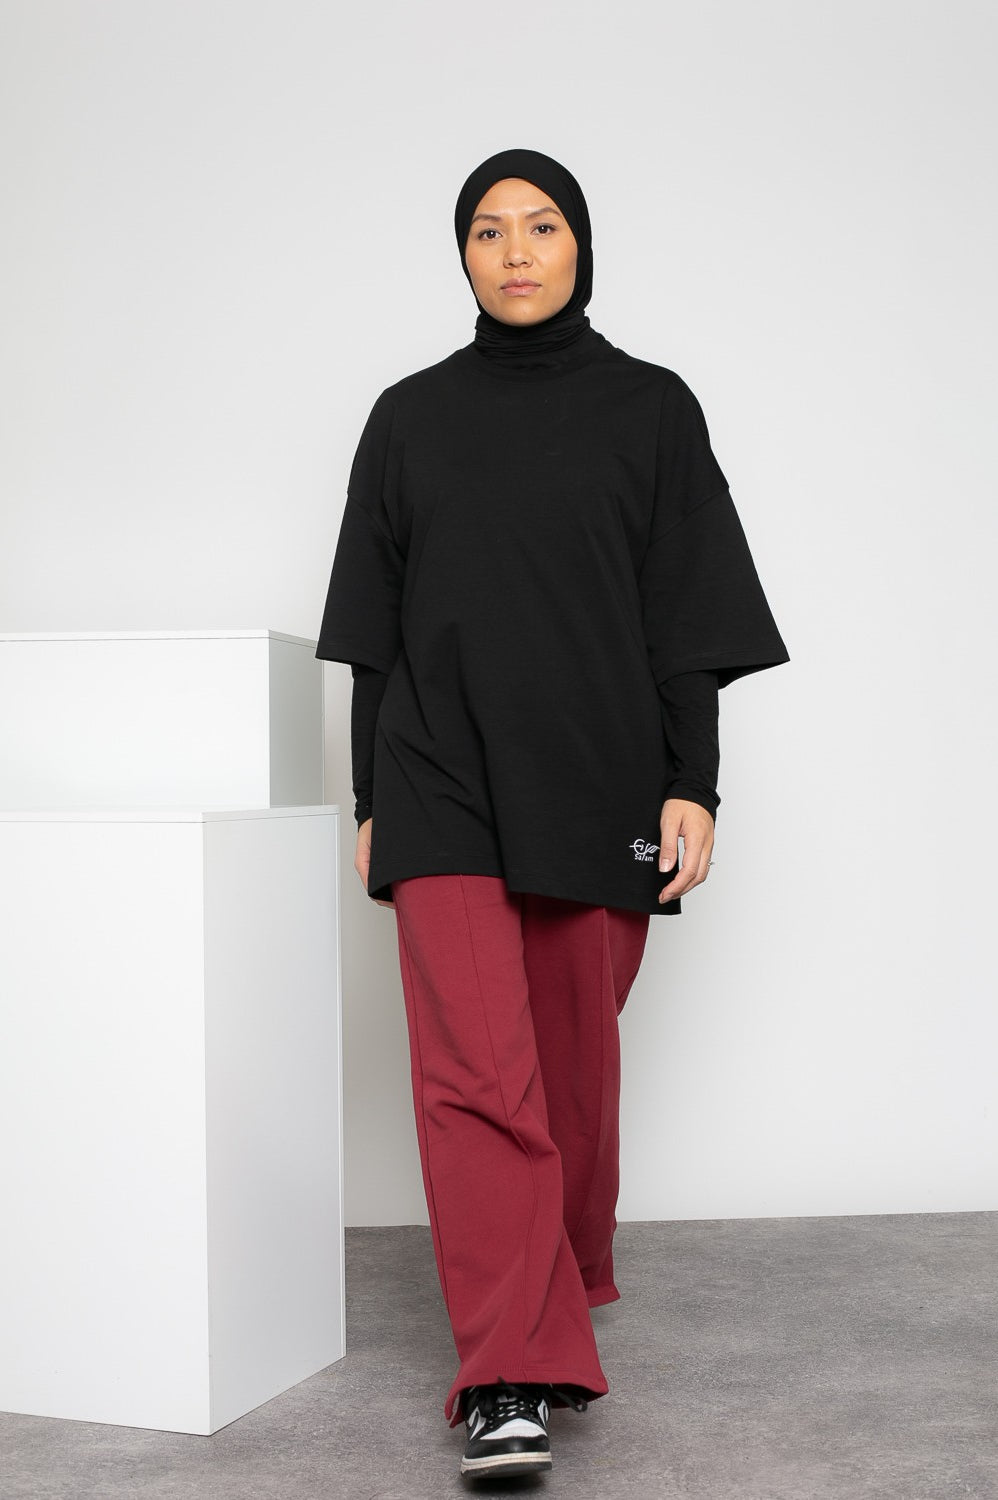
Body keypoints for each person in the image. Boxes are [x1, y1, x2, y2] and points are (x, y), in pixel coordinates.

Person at [315, 147, 790, 1480]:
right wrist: (372, 800)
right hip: (436, 780)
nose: (514, 251)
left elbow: (687, 616)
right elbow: (371, 633)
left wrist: (693, 782)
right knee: (475, 1077)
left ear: (580, 244)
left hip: (599, 778)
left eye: (539, 226)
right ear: (461, 256)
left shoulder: (651, 408)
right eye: (486, 230)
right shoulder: (407, 417)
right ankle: (508, 1372)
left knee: (569, 1073)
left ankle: (556, 1278)